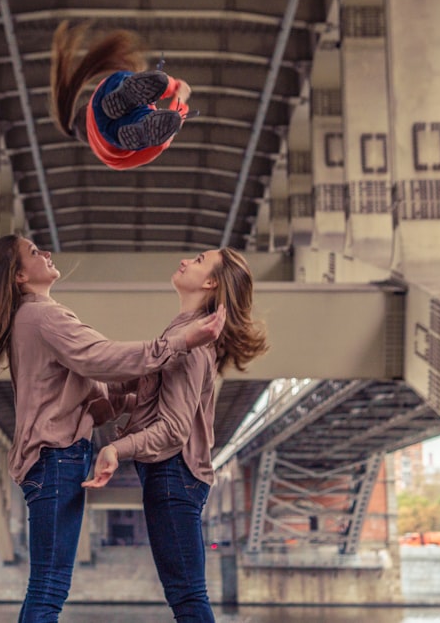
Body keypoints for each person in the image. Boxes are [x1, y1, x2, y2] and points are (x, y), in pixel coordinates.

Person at [0, 233, 226, 623]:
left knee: (47, 585)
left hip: (52, 458)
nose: (45, 253)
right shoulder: (42, 316)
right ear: (20, 276)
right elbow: (101, 359)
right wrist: (176, 343)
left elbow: (93, 392)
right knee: (49, 587)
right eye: (33, 252)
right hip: (55, 457)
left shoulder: (33, 316)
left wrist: (135, 402)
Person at [82, 248, 269, 622]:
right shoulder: (183, 334)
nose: (185, 261)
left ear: (211, 282)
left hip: (173, 474)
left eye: (198, 260)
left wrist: (118, 448)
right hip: (173, 477)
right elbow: (157, 402)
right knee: (185, 595)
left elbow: (174, 430)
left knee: (187, 597)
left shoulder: (191, 346)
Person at [49, 21, 193, 171]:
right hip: (101, 105)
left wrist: (180, 98)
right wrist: (174, 86)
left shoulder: (111, 158)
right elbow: (157, 83)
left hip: (114, 143)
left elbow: (164, 140)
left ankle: (140, 127)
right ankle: (132, 107)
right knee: (122, 83)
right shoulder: (97, 103)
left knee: (141, 124)